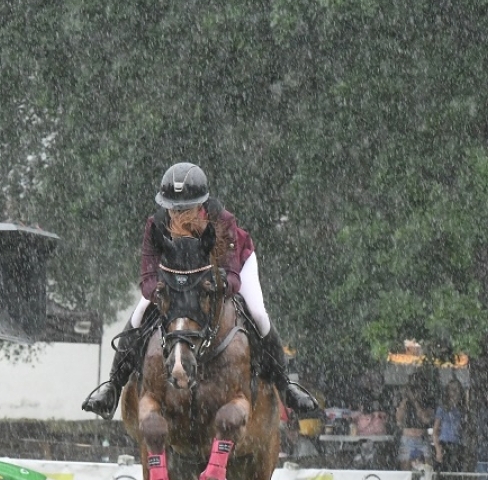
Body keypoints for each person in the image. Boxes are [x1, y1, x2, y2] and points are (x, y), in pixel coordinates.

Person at [82, 162, 319, 419]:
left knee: (258, 314)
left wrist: (213, 287)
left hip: (234, 266)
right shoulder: (156, 224)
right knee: (139, 314)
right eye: (173, 207)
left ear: (201, 204)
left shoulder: (222, 220)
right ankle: (112, 386)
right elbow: (148, 275)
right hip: (178, 278)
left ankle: (286, 387)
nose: (178, 213)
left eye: (185, 208)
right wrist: (160, 292)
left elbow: (232, 276)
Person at [432, 379, 468, 480]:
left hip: (458, 446)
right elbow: (435, 431)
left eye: (456, 390)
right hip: (445, 445)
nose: (454, 393)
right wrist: (438, 449)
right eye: (451, 389)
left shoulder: (462, 410)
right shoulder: (443, 409)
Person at [395, 380, 434, 470]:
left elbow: (425, 419)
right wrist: (405, 399)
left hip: (422, 440)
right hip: (407, 440)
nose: (415, 393)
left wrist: (416, 402)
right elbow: (398, 419)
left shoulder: (427, 402)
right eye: (413, 390)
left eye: (417, 390)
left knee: (427, 469)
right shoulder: (404, 402)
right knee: (405, 471)